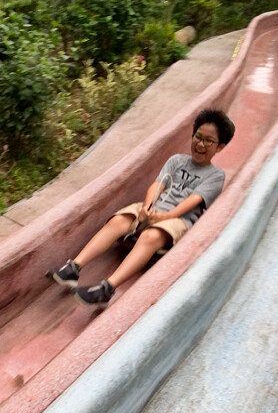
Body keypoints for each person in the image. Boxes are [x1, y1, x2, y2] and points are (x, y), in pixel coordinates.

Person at [47, 108, 235, 308]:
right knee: (119, 220)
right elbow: (158, 185)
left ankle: (107, 288)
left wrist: (165, 217)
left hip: (178, 220)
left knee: (150, 236)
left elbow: (193, 200)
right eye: (198, 137)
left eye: (209, 141)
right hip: (156, 209)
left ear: (220, 147)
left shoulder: (216, 175)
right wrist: (147, 207)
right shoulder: (177, 161)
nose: (200, 144)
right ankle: (74, 268)